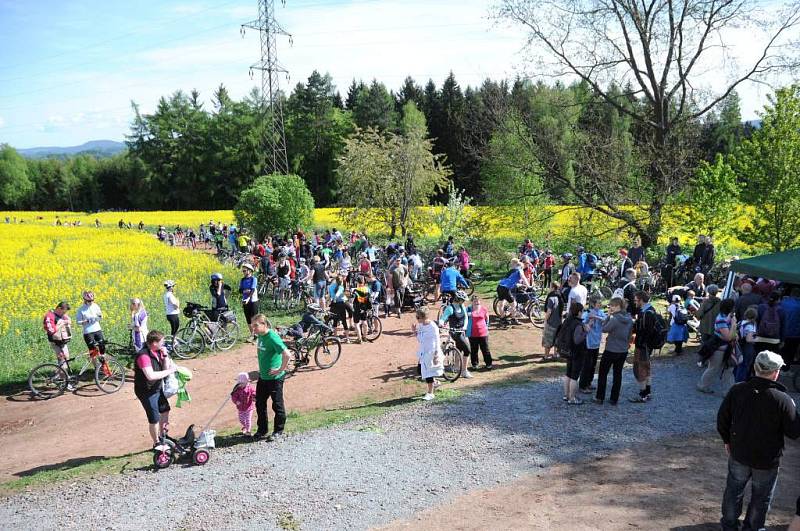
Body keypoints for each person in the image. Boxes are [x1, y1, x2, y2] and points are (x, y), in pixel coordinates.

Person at [717, 350, 800, 531]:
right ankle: (753, 527)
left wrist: (727, 440)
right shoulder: (783, 399)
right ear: (776, 372)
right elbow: (794, 432)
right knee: (761, 496)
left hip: (739, 452)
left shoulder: (737, 390)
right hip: (767, 459)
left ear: (755, 368)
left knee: (733, 490)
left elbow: (722, 418)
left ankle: (729, 525)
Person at [134, 331, 177, 446]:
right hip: (146, 392)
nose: (163, 343)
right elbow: (150, 376)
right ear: (154, 343)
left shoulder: (157, 351)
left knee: (165, 410)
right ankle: (156, 443)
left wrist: (166, 356)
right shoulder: (143, 356)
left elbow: (164, 368)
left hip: (157, 388)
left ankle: (164, 436)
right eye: (161, 341)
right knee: (154, 419)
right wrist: (170, 371)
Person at [251, 314, 290, 441]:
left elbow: (287, 354)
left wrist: (280, 370)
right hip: (263, 377)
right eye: (253, 326)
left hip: (275, 378)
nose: (254, 328)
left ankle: (278, 431)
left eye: (256, 326)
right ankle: (262, 430)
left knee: (277, 404)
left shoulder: (272, 337)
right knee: (260, 404)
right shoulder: (260, 336)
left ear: (264, 324)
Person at [594, 297, 633, 405]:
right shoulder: (629, 318)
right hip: (623, 350)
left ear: (617, 306)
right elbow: (630, 333)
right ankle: (614, 398)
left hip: (611, 349)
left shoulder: (614, 319)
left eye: (611, 306)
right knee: (618, 374)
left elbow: (604, 329)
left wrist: (608, 316)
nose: (609, 308)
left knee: (603, 373)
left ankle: (600, 397)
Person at [697, 298, 737, 395]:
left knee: (728, 369)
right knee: (714, 368)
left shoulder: (726, 316)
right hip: (719, 349)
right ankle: (702, 386)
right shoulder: (721, 319)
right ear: (730, 308)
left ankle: (729, 392)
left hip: (725, 349)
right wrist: (733, 325)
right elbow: (728, 337)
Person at [438, 290, 473, 379]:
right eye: (462, 300)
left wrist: (464, 327)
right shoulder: (450, 308)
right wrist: (441, 323)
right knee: (467, 350)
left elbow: (465, 318)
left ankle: (457, 367)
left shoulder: (462, 306)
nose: (464, 301)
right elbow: (443, 318)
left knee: (460, 349)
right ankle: (464, 371)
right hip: (454, 332)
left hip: (461, 331)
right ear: (458, 299)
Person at [412, 308, 444, 401]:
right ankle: (435, 383)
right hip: (423, 352)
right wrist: (414, 331)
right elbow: (420, 339)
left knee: (428, 373)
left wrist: (436, 354)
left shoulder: (433, 327)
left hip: (431, 352)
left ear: (423, 317)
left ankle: (430, 393)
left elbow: (437, 341)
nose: (416, 319)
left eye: (418, 317)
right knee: (420, 370)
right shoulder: (421, 325)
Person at [630, 291, 656, 403]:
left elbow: (643, 331)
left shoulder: (646, 313)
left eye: (636, 300)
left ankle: (643, 394)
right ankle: (648, 392)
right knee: (647, 368)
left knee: (640, 368)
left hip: (642, 345)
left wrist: (634, 324)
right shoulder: (651, 310)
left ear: (641, 300)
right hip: (648, 346)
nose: (635, 302)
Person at [557, 302, 585, 404]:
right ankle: (572, 398)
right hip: (576, 352)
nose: (582, 313)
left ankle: (566, 395)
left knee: (568, 374)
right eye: (582, 311)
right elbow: (577, 340)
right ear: (579, 312)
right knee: (574, 376)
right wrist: (586, 331)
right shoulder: (578, 324)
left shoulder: (567, 320)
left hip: (567, 351)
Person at [579, 294, 605, 393]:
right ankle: (583, 385)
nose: (600, 304)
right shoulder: (586, 313)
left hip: (597, 343)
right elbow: (583, 326)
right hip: (588, 343)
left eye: (600, 303)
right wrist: (589, 321)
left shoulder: (601, 313)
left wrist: (596, 317)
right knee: (587, 365)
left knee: (593, 365)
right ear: (593, 304)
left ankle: (589, 382)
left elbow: (606, 320)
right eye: (599, 303)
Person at [43, 302, 72, 381]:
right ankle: (65, 380)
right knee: (62, 359)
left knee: (66, 358)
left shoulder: (62, 315)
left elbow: (69, 321)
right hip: (55, 341)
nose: (64, 313)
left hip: (62, 341)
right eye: (63, 311)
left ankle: (58, 375)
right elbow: (51, 330)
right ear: (59, 308)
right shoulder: (49, 316)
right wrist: (61, 323)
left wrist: (68, 321)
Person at [496, 258, 529, 322]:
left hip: (499, 286)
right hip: (506, 288)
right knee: (514, 304)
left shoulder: (511, 271)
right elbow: (523, 278)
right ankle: (513, 319)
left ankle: (502, 318)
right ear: (521, 266)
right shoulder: (520, 270)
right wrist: (528, 286)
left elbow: (510, 280)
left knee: (501, 303)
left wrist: (520, 285)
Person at [467, 295, 492, 370]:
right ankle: (474, 364)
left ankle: (488, 364)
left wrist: (486, 327)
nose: (476, 302)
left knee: (485, 349)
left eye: (478, 301)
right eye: (474, 301)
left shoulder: (484, 309)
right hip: (472, 333)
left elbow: (487, 319)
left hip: (483, 333)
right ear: (472, 302)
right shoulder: (468, 309)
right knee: (474, 350)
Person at [76, 290, 106, 355]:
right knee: (92, 351)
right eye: (89, 301)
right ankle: (95, 365)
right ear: (85, 300)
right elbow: (78, 322)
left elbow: (101, 316)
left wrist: (98, 317)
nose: (91, 302)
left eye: (92, 300)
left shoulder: (96, 306)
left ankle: (103, 364)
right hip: (88, 332)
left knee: (102, 347)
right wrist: (86, 321)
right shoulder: (81, 309)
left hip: (97, 329)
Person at [734, 306, 758, 383]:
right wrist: (757, 339)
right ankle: (739, 382)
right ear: (754, 317)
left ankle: (734, 379)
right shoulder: (751, 326)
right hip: (747, 347)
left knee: (738, 363)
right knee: (744, 365)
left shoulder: (740, 322)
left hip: (739, 345)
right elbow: (748, 339)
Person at [541, 280, 563, 362]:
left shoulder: (551, 298)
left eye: (550, 287)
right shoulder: (560, 297)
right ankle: (555, 355)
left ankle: (546, 356)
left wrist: (545, 320)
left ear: (553, 288)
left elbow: (549, 311)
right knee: (556, 339)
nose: (549, 288)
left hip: (551, 322)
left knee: (548, 340)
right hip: (559, 322)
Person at [780, 287, 800, 371]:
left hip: (782, 331)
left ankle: (779, 367)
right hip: (794, 333)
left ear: (791, 294)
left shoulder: (783, 302)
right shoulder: (799, 305)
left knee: (781, 350)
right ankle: (786, 368)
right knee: (790, 352)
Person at [231, 372, 256, 436]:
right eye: (239, 383)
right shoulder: (237, 389)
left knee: (248, 419)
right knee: (241, 419)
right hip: (241, 408)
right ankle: (245, 427)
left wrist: (254, 396)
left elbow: (253, 392)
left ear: (246, 382)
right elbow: (233, 396)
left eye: (242, 383)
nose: (240, 384)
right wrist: (236, 401)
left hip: (249, 407)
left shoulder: (249, 388)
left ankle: (248, 431)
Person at [239, 263, 259, 330]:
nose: (243, 272)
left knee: (254, 319)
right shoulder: (242, 280)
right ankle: (252, 334)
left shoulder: (254, 279)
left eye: (245, 271)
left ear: (249, 271)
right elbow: (240, 290)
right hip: (245, 301)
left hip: (253, 301)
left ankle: (257, 334)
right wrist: (245, 291)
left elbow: (252, 289)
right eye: (243, 271)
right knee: (248, 319)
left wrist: (248, 297)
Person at [351, 275, 371, 344]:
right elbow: (369, 299)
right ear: (364, 281)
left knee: (356, 324)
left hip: (357, 308)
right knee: (364, 322)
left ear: (357, 282)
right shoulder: (367, 289)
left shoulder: (356, 290)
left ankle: (359, 339)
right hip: (364, 308)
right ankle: (364, 337)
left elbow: (351, 299)